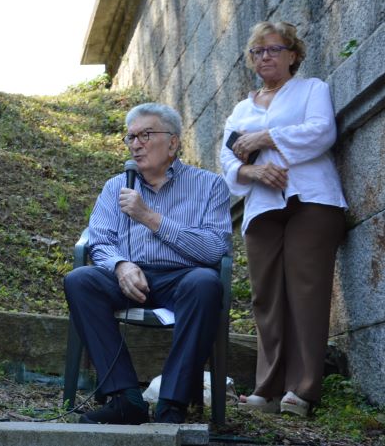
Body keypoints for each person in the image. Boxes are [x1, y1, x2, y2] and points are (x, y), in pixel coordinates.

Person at [64, 102, 232, 425]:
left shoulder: (209, 186)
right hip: (130, 275)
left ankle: (171, 403)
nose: (136, 144)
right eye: (131, 137)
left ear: (173, 143)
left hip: (183, 278)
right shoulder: (117, 186)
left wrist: (149, 218)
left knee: (206, 284)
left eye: (145, 135)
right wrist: (120, 265)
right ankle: (126, 398)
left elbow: (214, 248)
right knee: (80, 280)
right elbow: (98, 238)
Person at [220, 21, 347, 417]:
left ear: (293, 54)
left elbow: (321, 132)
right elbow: (226, 158)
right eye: (258, 52)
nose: (265, 58)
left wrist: (265, 139)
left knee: (307, 291)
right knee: (266, 297)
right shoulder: (240, 110)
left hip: (312, 198)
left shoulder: (312, 90)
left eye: (274, 50)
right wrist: (251, 172)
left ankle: (303, 390)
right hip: (261, 207)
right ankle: (267, 389)